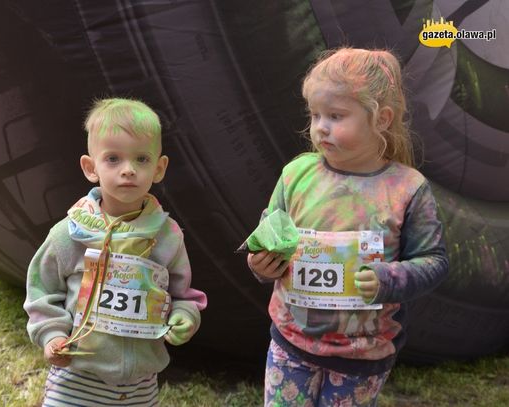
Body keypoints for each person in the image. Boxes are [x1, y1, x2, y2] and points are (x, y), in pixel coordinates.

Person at [247, 48, 448, 406]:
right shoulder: (296, 175)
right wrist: (261, 265)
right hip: (290, 342)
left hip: (362, 357)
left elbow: (434, 260)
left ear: (381, 118)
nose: (321, 126)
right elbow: (268, 238)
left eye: (336, 115)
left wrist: (388, 279)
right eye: (315, 114)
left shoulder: (407, 188)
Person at [24, 98, 207, 406]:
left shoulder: (168, 236)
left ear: (159, 167)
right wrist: (51, 334)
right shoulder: (68, 234)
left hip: (138, 386)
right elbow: (42, 290)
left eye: (141, 159)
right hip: (76, 379)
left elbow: (182, 295)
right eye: (113, 159)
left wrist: (184, 315)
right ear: (90, 167)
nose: (128, 170)